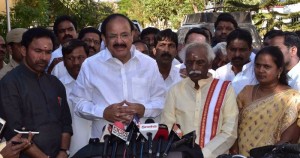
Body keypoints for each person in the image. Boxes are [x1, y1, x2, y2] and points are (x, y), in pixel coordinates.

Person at [70, 14, 165, 139]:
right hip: (104, 143)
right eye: (113, 36)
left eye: (124, 35)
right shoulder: (91, 65)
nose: (119, 41)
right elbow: (78, 103)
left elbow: (161, 100)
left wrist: (144, 110)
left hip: (142, 143)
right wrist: (103, 112)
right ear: (104, 38)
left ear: (133, 35)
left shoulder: (149, 64)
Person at [0, 27, 72, 158]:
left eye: (48, 52)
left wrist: (63, 152)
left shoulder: (55, 83)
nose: (43, 57)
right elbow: (15, 132)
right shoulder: (9, 83)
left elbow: (66, 124)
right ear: (23, 50)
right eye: (38, 51)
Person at [161, 42, 238, 158]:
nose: (194, 68)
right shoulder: (175, 91)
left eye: (200, 62)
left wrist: (202, 154)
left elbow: (229, 131)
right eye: (189, 63)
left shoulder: (225, 89)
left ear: (210, 64)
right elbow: (167, 126)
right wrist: (184, 150)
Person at [232, 46, 300, 156]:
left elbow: (289, 139)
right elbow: (233, 126)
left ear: (279, 70)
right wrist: (235, 152)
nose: (260, 70)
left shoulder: (293, 98)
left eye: (267, 67)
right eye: (257, 65)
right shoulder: (246, 91)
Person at [59, 39, 90, 156]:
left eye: (81, 57)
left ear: (88, 58)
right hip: (72, 151)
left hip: (101, 149)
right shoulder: (57, 87)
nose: (76, 62)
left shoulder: (101, 84)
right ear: (63, 61)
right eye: (70, 58)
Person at [215, 28, 257, 94]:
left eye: (242, 50)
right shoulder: (220, 73)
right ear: (226, 49)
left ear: (250, 49)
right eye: (233, 50)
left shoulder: (257, 72)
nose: (237, 54)